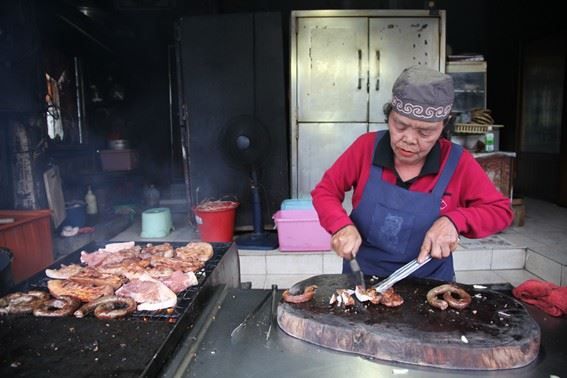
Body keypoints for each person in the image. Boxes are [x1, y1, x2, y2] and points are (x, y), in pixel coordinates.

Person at [311, 65, 513, 281]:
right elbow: (325, 191)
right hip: (363, 279)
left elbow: (501, 211)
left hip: (430, 284)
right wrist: (340, 225)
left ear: (443, 126)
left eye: (424, 132)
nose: (408, 139)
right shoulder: (366, 147)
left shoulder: (457, 162)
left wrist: (455, 220)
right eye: (400, 125)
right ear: (389, 116)